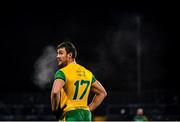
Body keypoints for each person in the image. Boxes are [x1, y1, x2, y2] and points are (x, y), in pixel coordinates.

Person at [50, 41, 107, 121]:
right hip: (86, 116)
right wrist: (88, 109)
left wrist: (55, 110)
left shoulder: (62, 72)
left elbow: (55, 91)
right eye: (57, 53)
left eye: (61, 53)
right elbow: (102, 93)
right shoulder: (87, 73)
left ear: (69, 55)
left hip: (70, 114)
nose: (57, 56)